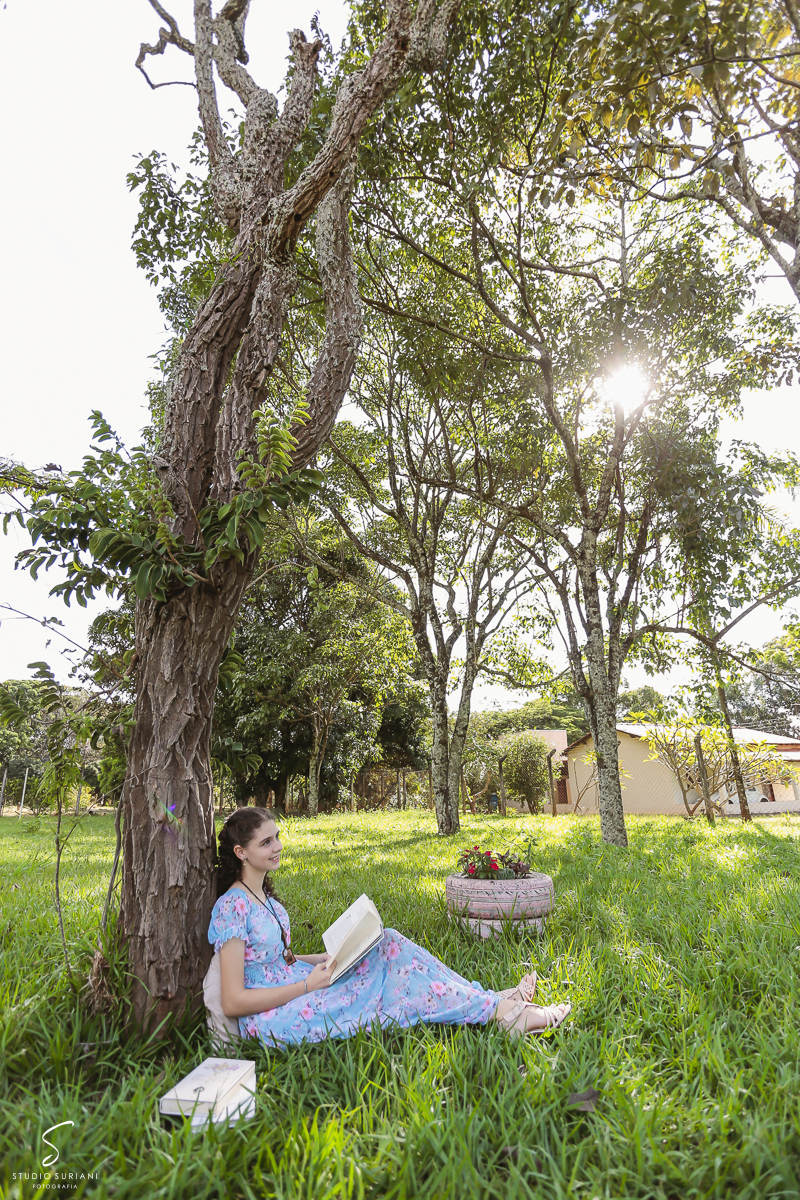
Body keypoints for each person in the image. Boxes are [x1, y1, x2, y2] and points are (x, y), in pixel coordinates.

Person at [209, 807, 571, 1048]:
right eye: (266, 842)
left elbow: (276, 961)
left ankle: (491, 1000)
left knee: (389, 941)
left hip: (294, 984)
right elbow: (233, 999)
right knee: (397, 981)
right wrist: (308, 983)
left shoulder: (265, 900)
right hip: (274, 1018)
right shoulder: (232, 907)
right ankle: (503, 1013)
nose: (278, 847)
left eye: (277, 837)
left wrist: (326, 956)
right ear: (241, 852)